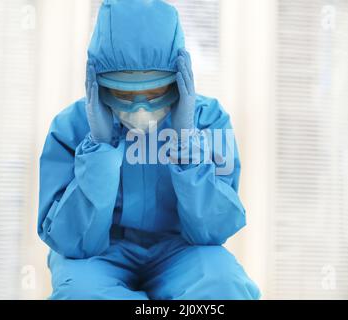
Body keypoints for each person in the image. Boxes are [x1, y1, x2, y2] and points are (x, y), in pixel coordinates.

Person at [37, 0, 261, 300]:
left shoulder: (208, 120)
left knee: (224, 286)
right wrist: (100, 147)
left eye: (155, 92)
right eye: (123, 93)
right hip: (98, 254)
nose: (140, 108)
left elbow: (213, 230)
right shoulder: (71, 127)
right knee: (80, 294)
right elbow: (71, 240)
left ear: (179, 80)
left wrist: (186, 144)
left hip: (183, 250)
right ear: (98, 83)